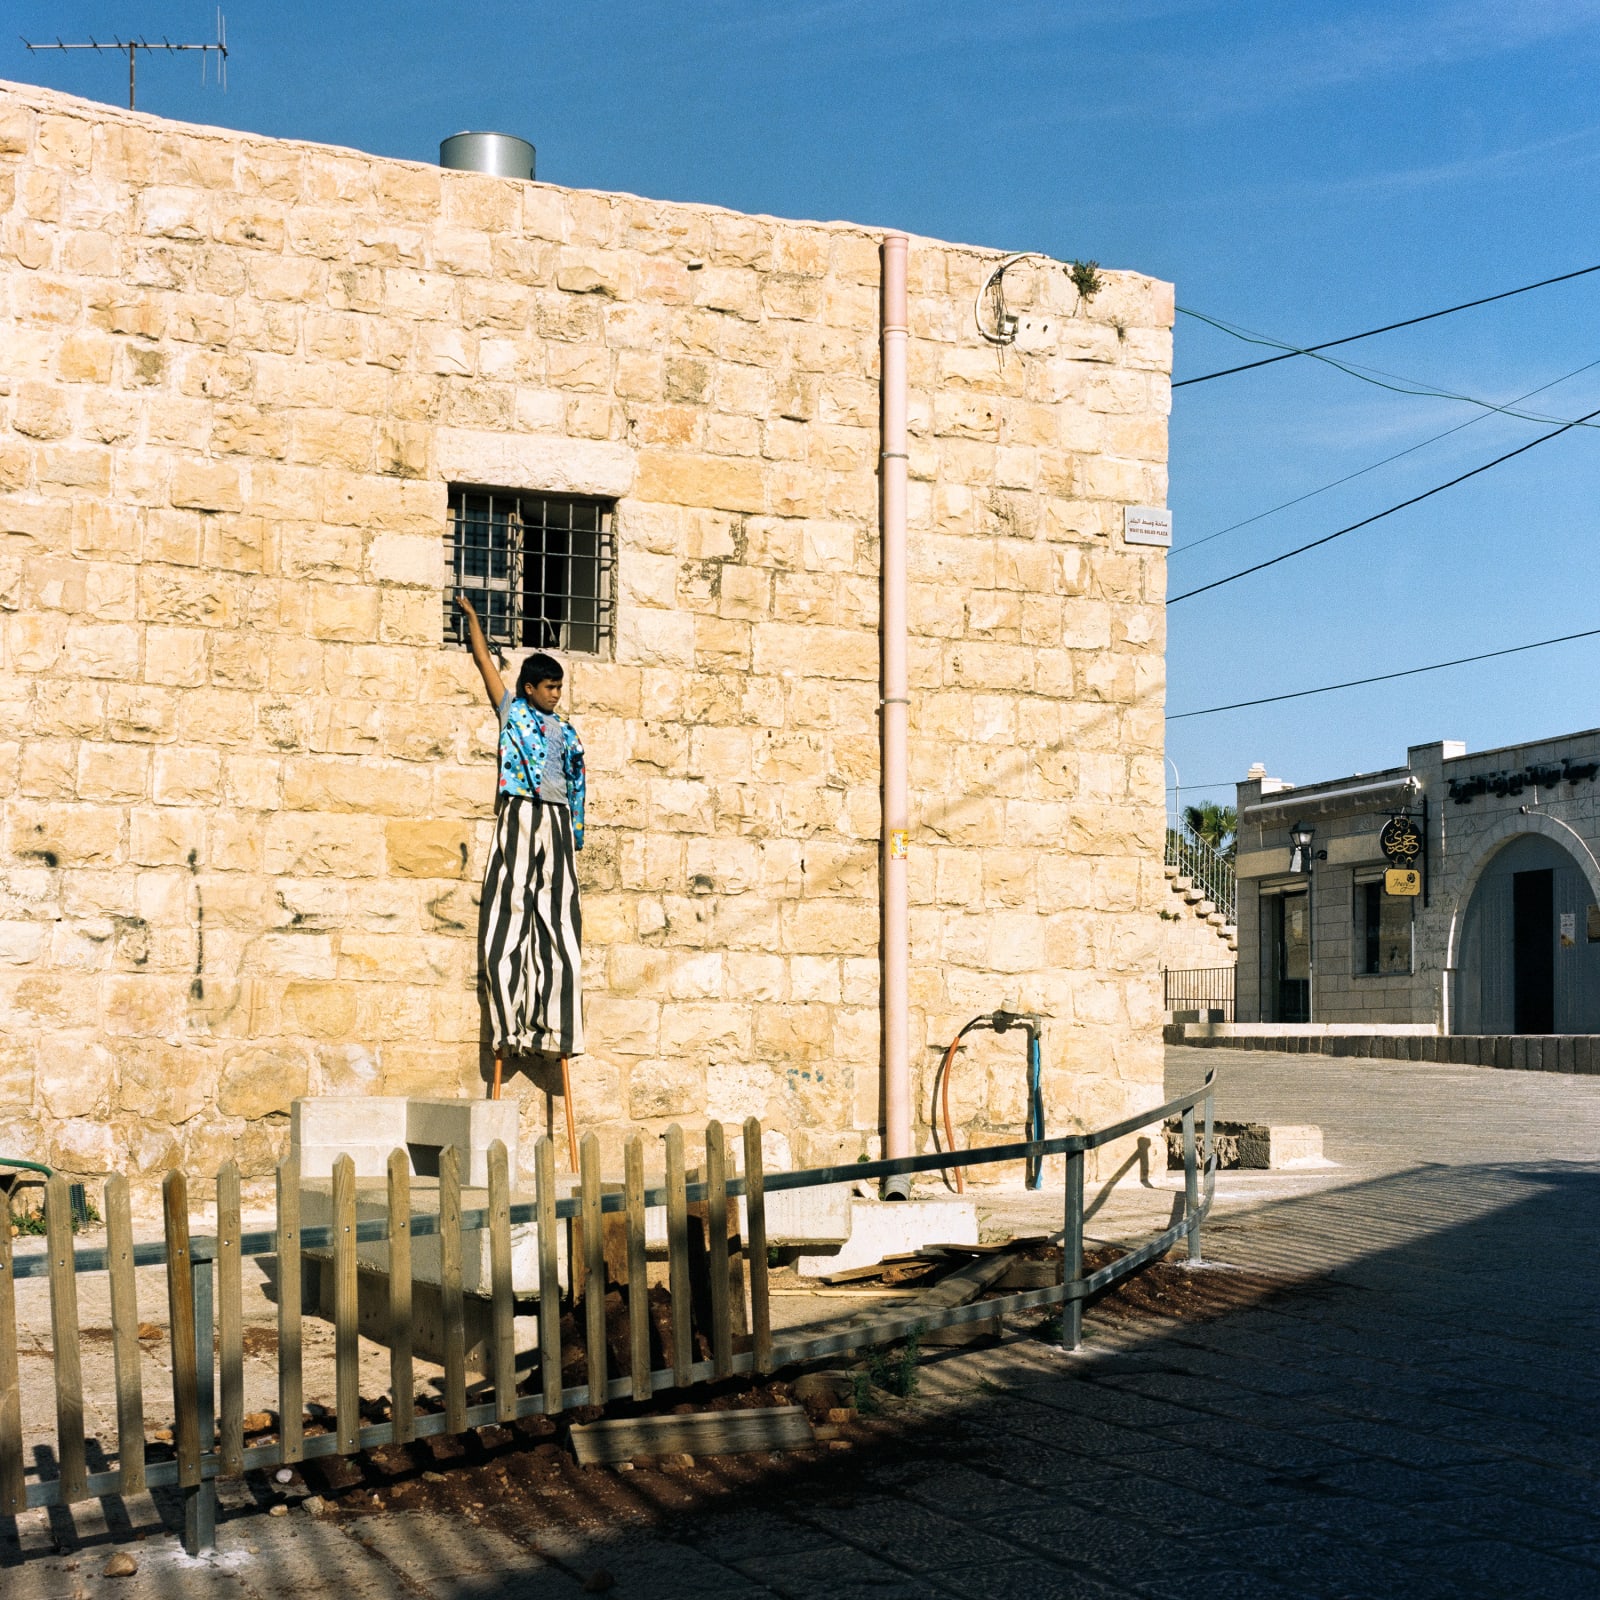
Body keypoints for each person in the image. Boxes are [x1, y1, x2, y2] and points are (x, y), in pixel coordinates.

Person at [455, 595, 586, 1114]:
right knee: (508, 917)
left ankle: (553, 1025)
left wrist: (574, 836)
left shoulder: (567, 732)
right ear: (531, 688)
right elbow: (487, 667)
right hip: (518, 813)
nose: (556, 695)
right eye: (550, 687)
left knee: (556, 925)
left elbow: (577, 788)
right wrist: (473, 625)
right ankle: (508, 1025)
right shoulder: (514, 713)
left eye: (559, 687)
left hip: (554, 823)